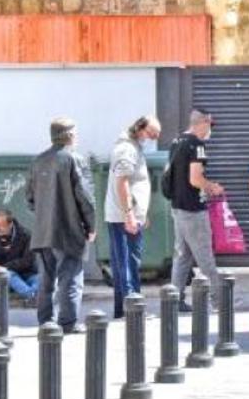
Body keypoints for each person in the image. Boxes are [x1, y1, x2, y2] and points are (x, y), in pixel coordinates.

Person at [27, 117, 96, 334]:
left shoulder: (38, 161)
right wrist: (91, 225)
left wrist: (43, 215)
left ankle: (46, 321)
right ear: (69, 135)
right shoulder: (74, 159)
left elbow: (29, 197)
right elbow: (85, 197)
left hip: (43, 230)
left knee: (46, 278)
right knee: (71, 277)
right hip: (68, 228)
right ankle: (68, 322)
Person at [168, 109, 225, 312]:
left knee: (182, 256)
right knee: (204, 256)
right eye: (209, 125)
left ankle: (174, 301)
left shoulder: (177, 141)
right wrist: (212, 187)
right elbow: (195, 179)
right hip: (192, 209)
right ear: (201, 123)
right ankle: (220, 302)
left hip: (177, 207)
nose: (210, 130)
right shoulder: (196, 145)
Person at [105, 115, 161, 319]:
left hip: (127, 215)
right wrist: (129, 214)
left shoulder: (133, 145)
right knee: (128, 263)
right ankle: (133, 309)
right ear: (140, 129)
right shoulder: (127, 149)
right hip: (123, 216)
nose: (154, 138)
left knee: (125, 262)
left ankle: (123, 310)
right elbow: (122, 183)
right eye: (152, 133)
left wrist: (140, 213)